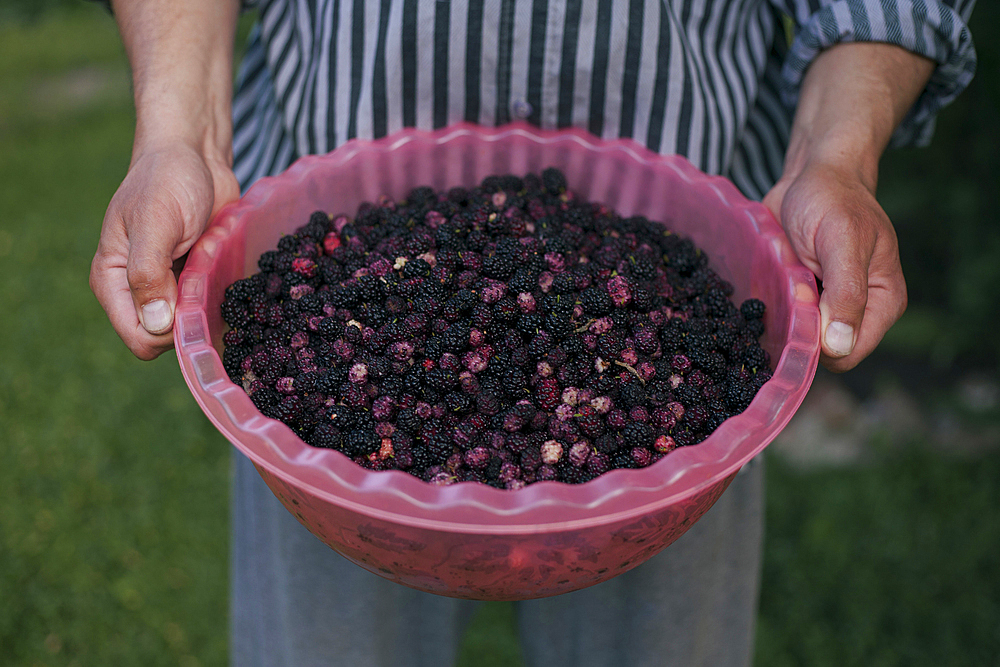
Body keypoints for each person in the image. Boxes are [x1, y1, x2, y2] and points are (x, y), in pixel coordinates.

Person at [90, 1, 976, 665]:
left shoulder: (654, 349)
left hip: (686, 301)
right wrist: (178, 129)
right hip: (324, 262)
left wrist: (836, 154)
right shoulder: (326, 344)